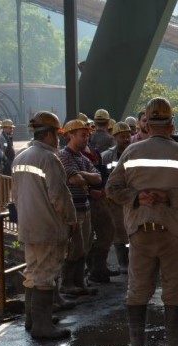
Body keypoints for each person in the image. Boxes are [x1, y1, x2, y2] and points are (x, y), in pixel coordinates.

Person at [106, 97, 178, 346]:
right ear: (172, 125)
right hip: (175, 233)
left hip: (140, 232)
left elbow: (112, 189)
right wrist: (170, 197)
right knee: (174, 290)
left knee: (138, 289)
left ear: (147, 125)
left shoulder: (131, 152)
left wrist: (137, 197)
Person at [11, 111, 76, 340]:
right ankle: (43, 326)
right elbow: (59, 195)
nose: (59, 141)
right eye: (57, 135)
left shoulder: (21, 156)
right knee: (45, 276)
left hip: (28, 225)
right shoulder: (49, 158)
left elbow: (15, 194)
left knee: (33, 272)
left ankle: (34, 319)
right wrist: (71, 220)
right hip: (48, 227)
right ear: (49, 135)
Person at [58, 119, 103, 296]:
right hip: (73, 209)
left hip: (84, 207)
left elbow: (97, 177)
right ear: (70, 135)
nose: (87, 138)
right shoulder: (64, 156)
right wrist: (84, 178)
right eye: (83, 135)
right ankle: (67, 283)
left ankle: (79, 282)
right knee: (74, 247)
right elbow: (73, 179)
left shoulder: (82, 158)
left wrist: (83, 176)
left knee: (84, 245)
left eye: (87, 135)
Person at [99, 121, 133, 274]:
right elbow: (103, 176)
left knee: (132, 231)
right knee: (120, 233)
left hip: (132, 197)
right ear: (115, 137)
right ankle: (123, 262)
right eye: (122, 136)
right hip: (114, 200)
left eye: (128, 136)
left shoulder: (136, 153)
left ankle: (133, 259)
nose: (126, 139)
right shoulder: (106, 156)